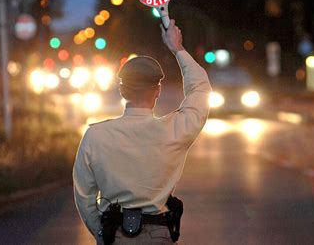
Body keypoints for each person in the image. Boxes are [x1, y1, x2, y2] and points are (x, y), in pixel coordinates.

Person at [73, 19, 211, 244]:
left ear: (121, 90)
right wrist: (178, 48)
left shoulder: (95, 136)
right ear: (158, 91)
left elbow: (84, 197)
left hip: (114, 235)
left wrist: (104, 233)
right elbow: (201, 90)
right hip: (158, 236)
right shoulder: (174, 130)